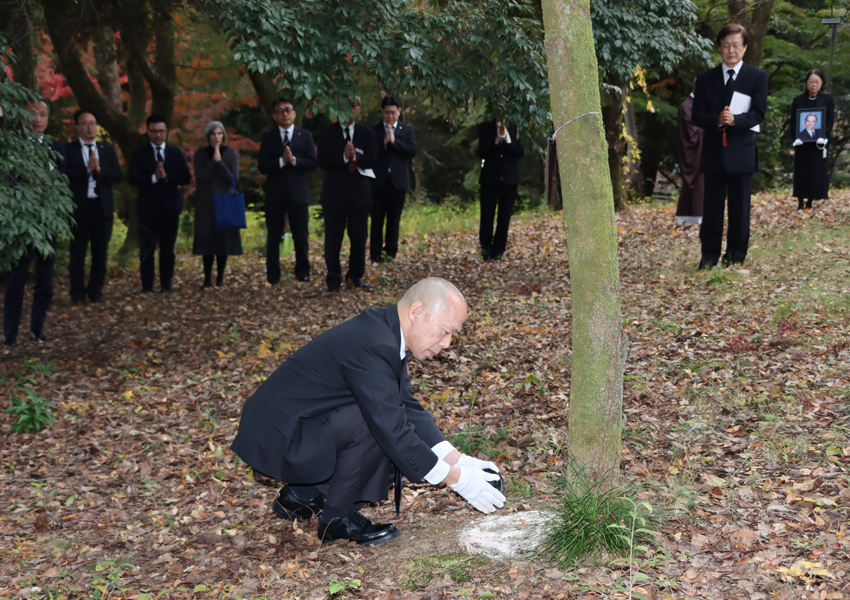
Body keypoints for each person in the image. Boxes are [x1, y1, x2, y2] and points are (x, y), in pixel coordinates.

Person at [230, 277, 505, 546]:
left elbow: (405, 404)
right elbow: (391, 427)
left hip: (294, 427)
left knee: (386, 425)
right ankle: (337, 520)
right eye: (446, 331)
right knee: (376, 426)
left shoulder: (386, 332)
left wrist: (459, 460)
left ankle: (302, 496)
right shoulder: (374, 343)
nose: (446, 344)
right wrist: (459, 480)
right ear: (417, 311)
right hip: (280, 438)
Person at [692, 23, 768, 269]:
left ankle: (736, 257)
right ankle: (709, 257)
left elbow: (758, 113)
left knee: (740, 210)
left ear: (745, 47)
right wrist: (717, 119)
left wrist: (736, 121)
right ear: (720, 48)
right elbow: (696, 115)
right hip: (714, 154)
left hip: (742, 152)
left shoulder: (757, 77)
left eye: (736, 45)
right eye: (726, 45)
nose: (731, 50)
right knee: (712, 209)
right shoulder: (705, 79)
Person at [3, 99, 65, 347]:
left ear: (48, 120)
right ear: (23, 118)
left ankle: (37, 329)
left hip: (47, 222)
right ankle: (10, 334)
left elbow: (64, 184)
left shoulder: (56, 147)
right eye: (32, 114)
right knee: (17, 279)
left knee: (45, 280)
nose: (38, 119)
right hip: (21, 223)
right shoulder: (14, 148)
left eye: (42, 114)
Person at [317, 96, 377, 292]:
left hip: (360, 195)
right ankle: (333, 279)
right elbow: (322, 162)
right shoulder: (327, 133)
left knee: (359, 238)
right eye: (345, 106)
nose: (350, 110)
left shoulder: (367, 133)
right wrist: (343, 157)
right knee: (333, 239)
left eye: (354, 106)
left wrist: (356, 157)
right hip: (334, 195)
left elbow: (373, 160)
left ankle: (355, 276)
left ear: (359, 109)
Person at [64, 109, 123, 304]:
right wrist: (87, 170)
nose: (90, 127)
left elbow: (118, 176)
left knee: (100, 253)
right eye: (86, 123)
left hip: (102, 208)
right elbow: (64, 176)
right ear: (78, 127)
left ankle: (96, 290)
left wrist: (99, 170)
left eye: (93, 123)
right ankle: (77, 292)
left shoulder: (106, 149)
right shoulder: (68, 150)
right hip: (79, 208)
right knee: (77, 253)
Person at [128, 114, 192, 293]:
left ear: (167, 132)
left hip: (170, 209)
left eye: (161, 131)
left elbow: (186, 177)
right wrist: (153, 178)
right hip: (147, 209)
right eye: (154, 131)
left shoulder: (175, 153)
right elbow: (132, 178)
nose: (158, 135)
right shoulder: (139, 153)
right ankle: (147, 286)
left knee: (167, 249)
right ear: (147, 132)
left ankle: (166, 284)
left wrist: (167, 178)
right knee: (146, 249)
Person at [258, 98, 318, 283]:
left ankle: (303, 272)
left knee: (301, 235)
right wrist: (281, 161)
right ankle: (273, 276)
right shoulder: (269, 138)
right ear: (275, 115)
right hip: (275, 194)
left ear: (294, 113)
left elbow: (313, 162)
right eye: (281, 110)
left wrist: (294, 161)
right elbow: (262, 166)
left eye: (288, 110)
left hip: (299, 193)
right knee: (273, 236)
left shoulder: (305, 135)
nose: (285, 113)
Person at [192, 121, 243, 287]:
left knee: (223, 242)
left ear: (224, 135)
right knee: (207, 242)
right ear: (208, 136)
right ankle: (207, 279)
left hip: (225, 202)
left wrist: (220, 162)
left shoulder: (231, 153)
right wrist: (213, 162)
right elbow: (201, 179)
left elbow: (232, 179)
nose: (216, 137)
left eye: (220, 133)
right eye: (213, 133)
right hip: (206, 204)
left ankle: (220, 278)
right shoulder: (200, 154)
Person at [369, 96, 417, 263]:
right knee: (376, 220)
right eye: (387, 113)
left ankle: (390, 253)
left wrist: (395, 142)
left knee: (394, 220)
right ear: (382, 112)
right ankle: (375, 254)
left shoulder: (406, 130)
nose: (390, 116)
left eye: (393, 113)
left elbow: (412, 151)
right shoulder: (373, 130)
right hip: (378, 182)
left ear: (399, 112)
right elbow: (370, 153)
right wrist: (384, 143)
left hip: (398, 182)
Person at [478, 118, 524, 261]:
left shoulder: (514, 125)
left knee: (504, 215)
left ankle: (499, 249)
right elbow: (482, 151)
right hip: (490, 178)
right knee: (487, 214)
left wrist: (508, 139)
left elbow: (520, 152)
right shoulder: (485, 126)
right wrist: (497, 139)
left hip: (510, 178)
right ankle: (486, 248)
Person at [791, 69, 834, 210]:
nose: (813, 84)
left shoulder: (827, 99)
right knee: (802, 171)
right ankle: (800, 201)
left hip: (819, 144)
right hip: (802, 143)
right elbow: (794, 121)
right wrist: (795, 137)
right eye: (811, 81)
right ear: (806, 83)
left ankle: (810, 201)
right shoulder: (798, 100)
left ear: (822, 83)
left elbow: (829, 120)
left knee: (815, 172)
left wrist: (825, 136)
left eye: (817, 81)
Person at [675, 88, 704, 225]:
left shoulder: (697, 105)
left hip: (699, 149)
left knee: (701, 181)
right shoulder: (686, 106)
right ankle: (692, 217)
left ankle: (697, 215)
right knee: (696, 181)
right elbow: (692, 132)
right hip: (692, 151)